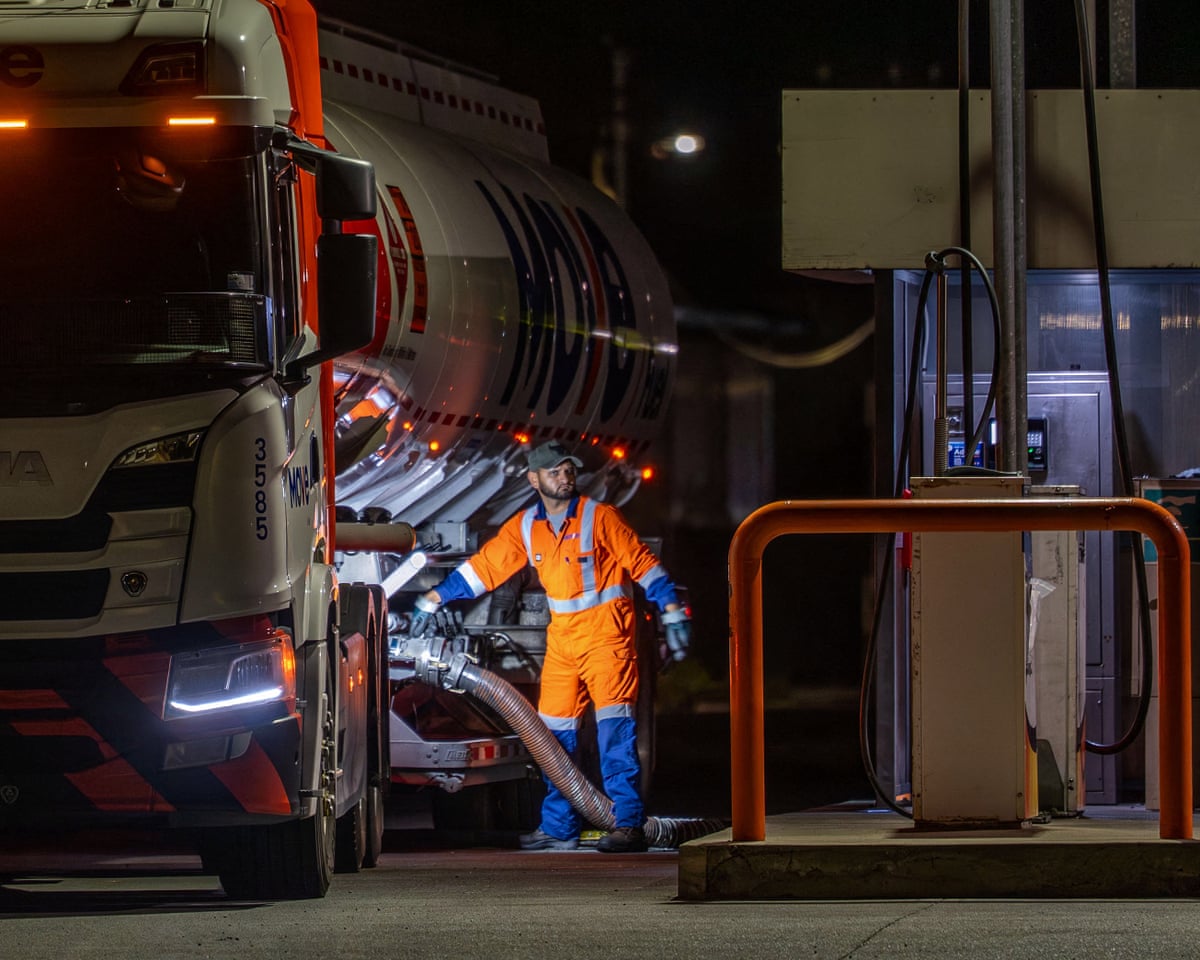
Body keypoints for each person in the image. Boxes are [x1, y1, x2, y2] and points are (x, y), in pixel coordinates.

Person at [410, 439, 692, 853]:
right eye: (555, 471)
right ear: (534, 479)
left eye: (568, 470)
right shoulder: (527, 526)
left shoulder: (600, 517)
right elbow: (486, 568)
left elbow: (643, 564)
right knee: (553, 737)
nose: (565, 477)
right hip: (563, 639)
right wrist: (435, 598)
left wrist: (669, 608)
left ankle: (628, 825)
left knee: (615, 732)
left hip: (607, 637)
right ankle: (559, 826)